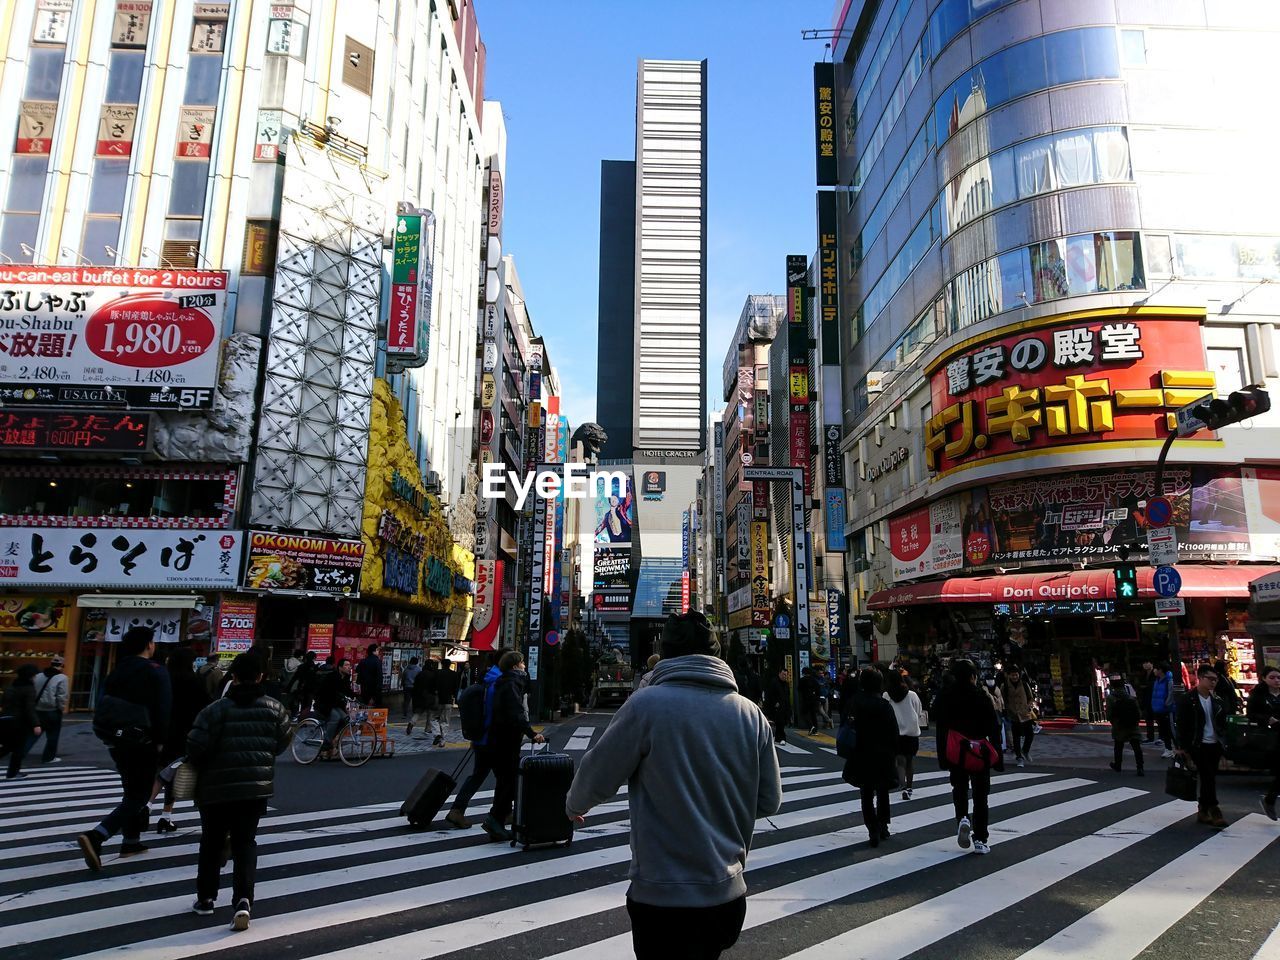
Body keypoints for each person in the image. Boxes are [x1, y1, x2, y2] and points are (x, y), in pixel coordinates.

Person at [566, 611, 782, 960]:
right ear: (716, 654)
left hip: (661, 896)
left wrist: (574, 806)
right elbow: (770, 801)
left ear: (665, 653)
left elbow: (598, 772)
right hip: (726, 894)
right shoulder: (750, 713)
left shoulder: (647, 705)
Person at [186, 653, 292, 930]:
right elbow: (280, 745)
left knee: (211, 841)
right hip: (254, 789)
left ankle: (206, 899)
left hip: (215, 788)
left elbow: (195, 747)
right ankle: (243, 899)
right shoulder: (275, 709)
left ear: (233, 676)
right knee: (245, 842)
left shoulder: (213, 711)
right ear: (261, 677)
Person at [77, 627, 172, 870]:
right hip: (143, 739)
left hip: (115, 738)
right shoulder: (156, 671)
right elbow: (163, 710)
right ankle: (98, 835)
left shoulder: (116, 671)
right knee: (140, 794)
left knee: (132, 789)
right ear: (149, 645)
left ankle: (131, 841)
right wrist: (161, 740)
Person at [934, 658, 1002, 855]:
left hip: (956, 750)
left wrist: (942, 756)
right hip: (979, 751)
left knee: (960, 788)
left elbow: (939, 724)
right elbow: (993, 727)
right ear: (973, 676)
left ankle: (963, 818)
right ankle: (981, 838)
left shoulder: (946, 696)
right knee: (981, 796)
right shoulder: (981, 696)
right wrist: (997, 756)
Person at [152, 647, 210, 832]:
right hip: (186, 732)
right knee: (173, 773)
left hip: (163, 730)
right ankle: (162, 813)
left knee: (163, 771)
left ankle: (150, 808)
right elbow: (206, 706)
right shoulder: (194, 681)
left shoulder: (164, 679)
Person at [842, 667, 898, 846]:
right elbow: (893, 732)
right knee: (882, 791)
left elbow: (846, 725)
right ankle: (883, 825)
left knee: (866, 793)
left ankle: (872, 828)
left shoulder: (854, 702)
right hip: (883, 755)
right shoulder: (884, 705)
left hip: (861, 753)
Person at [1173, 663, 1229, 829]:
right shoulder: (1188, 699)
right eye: (1210, 679)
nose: (1213, 682)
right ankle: (1214, 809)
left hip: (1215, 744)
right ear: (1200, 678)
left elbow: (1221, 724)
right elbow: (1181, 724)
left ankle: (1203, 809)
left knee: (1208, 777)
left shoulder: (1217, 700)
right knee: (1207, 776)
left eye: (1216, 680)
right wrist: (1182, 747)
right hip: (1198, 744)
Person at [885, 668, 926, 800]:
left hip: (895, 732)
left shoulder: (886, 695)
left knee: (900, 761)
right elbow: (919, 711)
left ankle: (902, 786)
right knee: (909, 761)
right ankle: (909, 787)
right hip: (911, 732)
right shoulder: (912, 695)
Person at [1247, 663, 1280, 820]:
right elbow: (1251, 714)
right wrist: (1267, 719)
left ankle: (1270, 799)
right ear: (1264, 679)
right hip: (1270, 736)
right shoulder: (1259, 694)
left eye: (1278, 677)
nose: (1276, 680)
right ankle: (1269, 800)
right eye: (1272, 678)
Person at [0, 664, 42, 780]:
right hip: (19, 722)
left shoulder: (10, 686)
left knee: (7, 746)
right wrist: (36, 724)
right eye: (34, 676)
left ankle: (13, 773)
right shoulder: (29, 689)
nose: (35, 678)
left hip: (4, 719)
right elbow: (29, 708)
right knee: (18, 748)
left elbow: (3, 703)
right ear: (30, 676)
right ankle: (13, 773)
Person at [313, 658, 355, 757]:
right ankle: (327, 742)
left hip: (335, 705)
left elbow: (348, 691)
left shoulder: (345, 678)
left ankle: (330, 737)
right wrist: (340, 696)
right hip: (324, 704)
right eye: (346, 665)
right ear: (340, 667)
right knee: (335, 717)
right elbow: (327, 692)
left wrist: (356, 698)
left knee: (346, 719)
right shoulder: (332, 677)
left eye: (349, 665)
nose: (349, 667)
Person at [31, 654, 68, 764]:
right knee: (52, 736)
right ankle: (48, 757)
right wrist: (61, 708)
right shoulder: (62, 678)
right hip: (52, 710)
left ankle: (20, 753)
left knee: (33, 734)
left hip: (37, 709)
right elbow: (62, 696)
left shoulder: (38, 676)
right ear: (61, 665)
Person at [1106, 674, 1144, 776]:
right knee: (1137, 747)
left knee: (1118, 746)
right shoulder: (1131, 698)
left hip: (1119, 725)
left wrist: (1114, 722)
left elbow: (1109, 715)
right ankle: (1140, 767)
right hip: (1132, 725)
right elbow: (1139, 713)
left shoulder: (1111, 698)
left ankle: (1118, 765)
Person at [998, 665, 1035, 767]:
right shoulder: (1004, 686)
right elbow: (1002, 700)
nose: (1015, 677)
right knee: (1016, 737)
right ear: (1008, 675)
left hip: (1025, 713)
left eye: (1016, 675)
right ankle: (1019, 757)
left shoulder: (1024, 684)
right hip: (1013, 714)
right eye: (1013, 675)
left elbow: (1031, 697)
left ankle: (1025, 750)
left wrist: (1028, 706)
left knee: (1030, 735)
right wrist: (1006, 710)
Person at [407, 659, 438, 740]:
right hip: (430, 696)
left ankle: (411, 723)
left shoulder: (420, 674)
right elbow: (434, 687)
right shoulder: (433, 674)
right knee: (430, 714)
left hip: (420, 696)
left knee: (418, 712)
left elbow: (415, 685)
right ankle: (428, 729)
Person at [431, 660, 460, 747]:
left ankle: (437, 734)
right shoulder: (454, 674)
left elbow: (433, 685)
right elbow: (456, 688)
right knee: (445, 721)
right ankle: (442, 741)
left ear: (442, 665)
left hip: (438, 699)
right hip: (449, 700)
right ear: (450, 665)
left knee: (434, 718)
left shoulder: (437, 673)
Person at [1152, 662, 1176, 758]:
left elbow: (1171, 694)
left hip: (1166, 709)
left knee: (1170, 730)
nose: (1155, 671)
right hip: (1159, 709)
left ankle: (1173, 749)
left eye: (1156, 669)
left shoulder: (1169, 680)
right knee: (1164, 730)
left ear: (1160, 670)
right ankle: (1168, 748)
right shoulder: (1157, 680)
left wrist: (1167, 704)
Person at [762, 666, 791, 744]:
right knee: (779, 722)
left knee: (781, 722)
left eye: (786, 675)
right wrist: (775, 703)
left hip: (784, 706)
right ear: (779, 674)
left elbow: (787, 696)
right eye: (783, 674)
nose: (784, 676)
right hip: (776, 706)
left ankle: (778, 738)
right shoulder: (774, 682)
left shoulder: (786, 684)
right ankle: (781, 738)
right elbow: (770, 694)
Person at [1138, 660, 1159, 743]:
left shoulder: (1155, 673)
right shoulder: (1143, 674)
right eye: (1144, 663)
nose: (1146, 664)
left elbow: (1154, 685)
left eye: (1148, 662)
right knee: (1148, 719)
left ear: (1152, 664)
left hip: (1154, 698)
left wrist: (1146, 686)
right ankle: (1150, 737)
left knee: (1158, 719)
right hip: (1146, 698)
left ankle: (1162, 737)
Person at [799, 667, 821, 735]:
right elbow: (818, 689)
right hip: (814, 700)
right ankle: (815, 730)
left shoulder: (802, 680)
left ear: (804, 673)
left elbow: (799, 689)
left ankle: (811, 726)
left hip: (806, 699)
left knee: (804, 713)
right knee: (813, 714)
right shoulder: (814, 680)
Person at [400, 656, 422, 723]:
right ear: (417, 662)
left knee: (406, 701)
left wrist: (402, 684)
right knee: (415, 701)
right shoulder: (418, 669)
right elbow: (420, 679)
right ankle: (414, 714)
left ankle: (405, 714)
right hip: (415, 687)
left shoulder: (406, 669)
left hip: (407, 687)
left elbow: (403, 678)